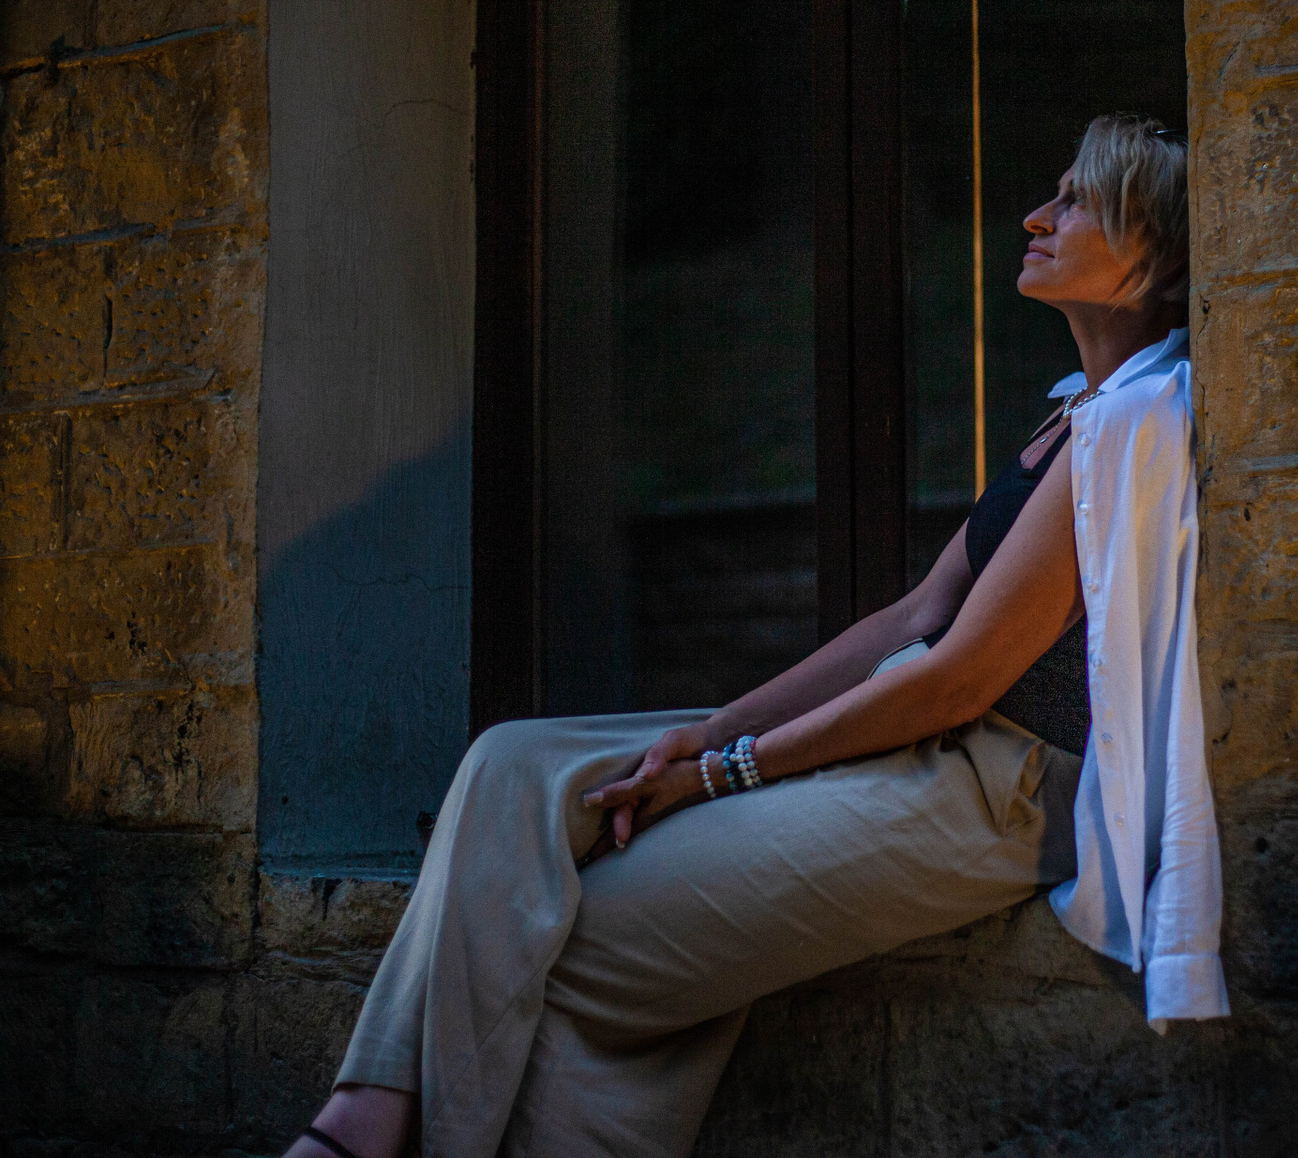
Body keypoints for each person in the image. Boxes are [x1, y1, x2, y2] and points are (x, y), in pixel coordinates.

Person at [286, 114, 1226, 1158]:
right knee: (509, 761)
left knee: (574, 941)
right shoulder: (1070, 417)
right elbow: (912, 618)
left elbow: (958, 678)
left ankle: (374, 1138)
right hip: (919, 746)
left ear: (1157, 256)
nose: (1037, 217)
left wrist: (724, 773)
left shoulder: (1133, 424)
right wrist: (714, 730)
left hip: (993, 788)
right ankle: (364, 1112)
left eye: (1077, 202)